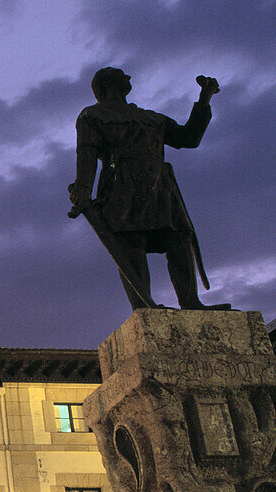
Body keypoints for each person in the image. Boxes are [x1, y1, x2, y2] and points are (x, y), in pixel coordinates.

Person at [70, 67, 229, 311]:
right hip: (121, 185)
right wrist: (83, 188)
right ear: (106, 85)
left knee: (178, 238)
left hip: (160, 186)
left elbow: (188, 138)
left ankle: (191, 302)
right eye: (122, 75)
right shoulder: (93, 116)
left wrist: (204, 100)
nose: (129, 78)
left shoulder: (150, 118)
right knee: (132, 242)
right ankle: (144, 307)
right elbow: (87, 153)